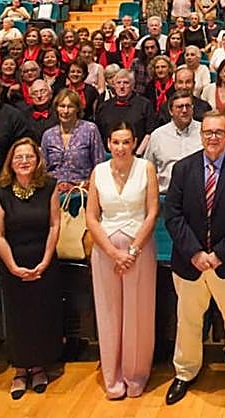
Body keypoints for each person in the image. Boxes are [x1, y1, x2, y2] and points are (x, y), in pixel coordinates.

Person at [163, 113, 225, 406]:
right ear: (201, 134)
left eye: (219, 132)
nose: (213, 137)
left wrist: (219, 254)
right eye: (208, 132)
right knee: (188, 321)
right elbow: (173, 215)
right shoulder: (183, 168)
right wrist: (195, 252)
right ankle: (184, 372)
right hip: (189, 262)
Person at [85, 124, 159, 400]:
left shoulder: (146, 168)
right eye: (116, 142)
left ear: (134, 143)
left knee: (138, 313)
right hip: (105, 250)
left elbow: (153, 212)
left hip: (138, 247)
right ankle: (113, 376)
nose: (120, 147)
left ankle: (135, 374)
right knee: (109, 312)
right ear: (108, 143)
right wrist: (114, 253)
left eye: (126, 142)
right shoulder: (99, 171)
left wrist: (133, 250)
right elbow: (92, 217)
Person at [0, 138, 61, 399]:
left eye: (29, 157)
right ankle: (20, 369)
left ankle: (40, 366)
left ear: (37, 159)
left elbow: (54, 225)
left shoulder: (49, 186)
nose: (24, 161)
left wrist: (44, 261)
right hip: (13, 262)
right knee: (18, 317)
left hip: (43, 260)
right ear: (11, 161)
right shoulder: (0, 191)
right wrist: (12, 266)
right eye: (18, 157)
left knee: (41, 314)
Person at [41, 88, 106, 192]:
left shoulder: (90, 129)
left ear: (77, 109)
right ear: (56, 108)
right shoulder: (48, 135)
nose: (65, 111)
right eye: (62, 106)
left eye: (70, 107)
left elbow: (99, 165)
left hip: (82, 191)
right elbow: (43, 170)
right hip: (54, 191)